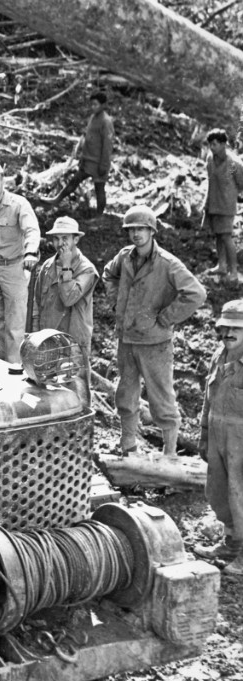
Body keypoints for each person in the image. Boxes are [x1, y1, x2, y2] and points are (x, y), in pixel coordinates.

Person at [102, 206, 206, 457]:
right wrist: (118, 303)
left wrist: (166, 318)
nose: (136, 234)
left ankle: (170, 454)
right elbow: (108, 274)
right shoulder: (125, 257)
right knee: (125, 395)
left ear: (151, 231)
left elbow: (197, 294)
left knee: (161, 399)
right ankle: (128, 446)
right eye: (132, 229)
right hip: (127, 339)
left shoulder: (168, 264)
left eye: (141, 229)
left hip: (155, 343)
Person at [0, 160, 40, 367]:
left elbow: (32, 230)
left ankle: (13, 367)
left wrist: (30, 252)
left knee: (14, 324)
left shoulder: (19, 204)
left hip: (14, 268)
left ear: (3, 181)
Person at [196, 298, 243, 574]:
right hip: (217, 435)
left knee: (241, 495)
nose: (228, 334)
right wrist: (203, 434)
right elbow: (208, 399)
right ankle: (230, 544)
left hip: (241, 440)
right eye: (224, 329)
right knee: (218, 492)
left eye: (236, 329)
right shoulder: (218, 355)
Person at [31, 216, 98, 359]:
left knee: (74, 380)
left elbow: (69, 298)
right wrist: (35, 334)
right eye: (56, 238)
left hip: (72, 343)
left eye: (65, 238)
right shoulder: (47, 266)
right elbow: (36, 303)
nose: (60, 243)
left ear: (76, 239)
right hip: (47, 339)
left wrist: (66, 267)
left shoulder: (87, 269)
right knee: (45, 378)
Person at [47, 91, 115, 215]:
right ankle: (56, 200)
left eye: (96, 104)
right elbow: (88, 136)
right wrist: (82, 157)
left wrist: (104, 165)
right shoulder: (93, 118)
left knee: (99, 189)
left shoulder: (106, 121)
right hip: (88, 160)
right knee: (75, 180)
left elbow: (107, 146)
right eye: (92, 104)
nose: (93, 107)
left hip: (99, 162)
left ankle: (100, 215)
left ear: (103, 105)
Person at [202, 129, 243, 287]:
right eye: (210, 144)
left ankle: (233, 271)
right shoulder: (210, 160)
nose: (212, 147)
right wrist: (206, 204)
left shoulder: (233, 164)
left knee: (226, 236)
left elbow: (240, 182)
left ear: (224, 144)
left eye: (215, 144)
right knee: (218, 236)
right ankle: (221, 265)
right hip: (213, 203)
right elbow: (210, 181)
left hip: (226, 205)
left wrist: (233, 194)